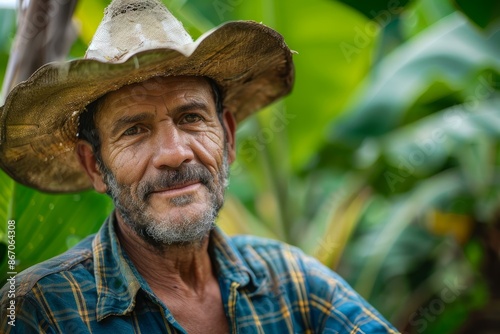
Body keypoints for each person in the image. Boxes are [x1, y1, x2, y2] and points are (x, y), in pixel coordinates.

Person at [0, 0, 399, 332]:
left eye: (191, 118)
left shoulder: (291, 280)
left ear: (227, 135)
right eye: (135, 130)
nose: (175, 153)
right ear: (93, 165)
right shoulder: (41, 309)